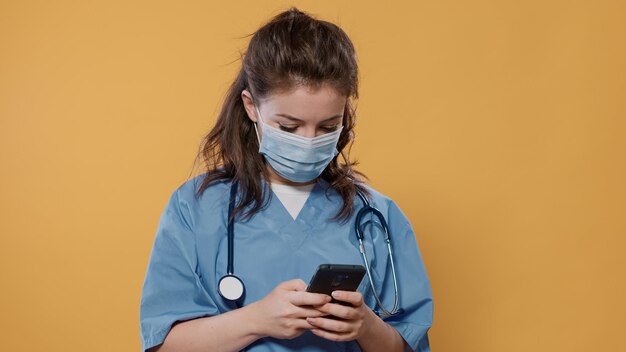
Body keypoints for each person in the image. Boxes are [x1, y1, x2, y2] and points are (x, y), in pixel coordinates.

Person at [139, 7, 433, 352]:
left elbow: (409, 346)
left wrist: (366, 326)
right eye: (290, 127)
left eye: (326, 127)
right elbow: (163, 345)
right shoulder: (195, 208)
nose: (309, 141)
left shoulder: (378, 217)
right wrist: (256, 320)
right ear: (252, 107)